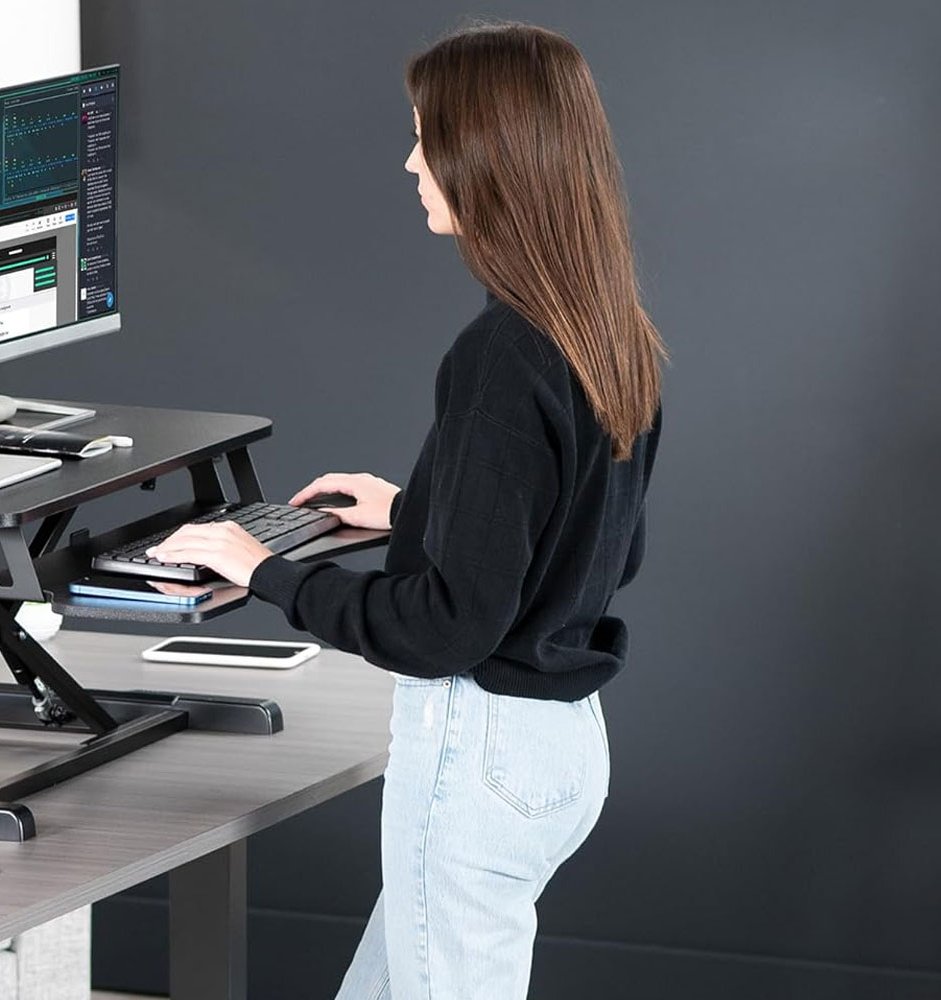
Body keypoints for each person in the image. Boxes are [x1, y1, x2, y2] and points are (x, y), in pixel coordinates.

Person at [145, 21, 664, 1000]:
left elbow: (444, 629)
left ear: (486, 159)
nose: (411, 161)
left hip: (482, 758)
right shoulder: (609, 328)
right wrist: (422, 511)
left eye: (426, 137)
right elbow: (606, 542)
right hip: (562, 749)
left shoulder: (502, 359)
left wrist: (268, 573)